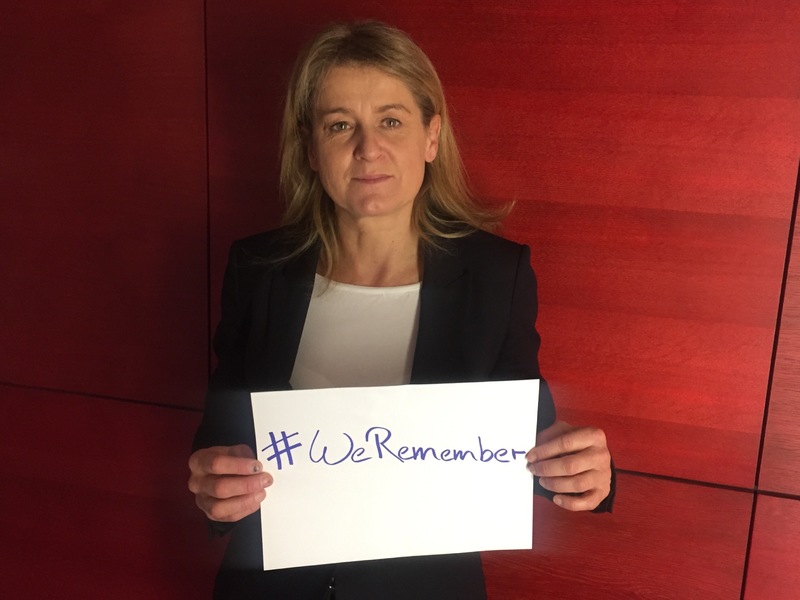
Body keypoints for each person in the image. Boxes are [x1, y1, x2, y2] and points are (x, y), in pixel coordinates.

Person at [188, 20, 614, 600]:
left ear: (431, 137)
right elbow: (220, 436)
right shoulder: (257, 268)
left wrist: (583, 473)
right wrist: (212, 484)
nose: (368, 148)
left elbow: (526, 442)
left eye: (391, 120)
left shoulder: (494, 276)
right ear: (310, 147)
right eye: (340, 125)